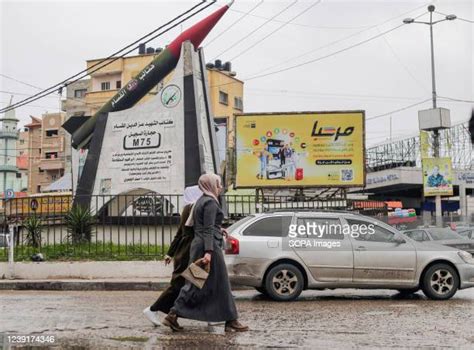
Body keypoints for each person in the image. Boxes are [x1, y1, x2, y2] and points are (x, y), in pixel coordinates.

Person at [163, 173, 248, 332]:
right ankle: (173, 315)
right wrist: (208, 252)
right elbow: (207, 229)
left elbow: (203, 225)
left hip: (200, 245)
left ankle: (231, 319)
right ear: (210, 185)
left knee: (204, 283)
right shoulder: (209, 203)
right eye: (218, 184)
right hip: (208, 248)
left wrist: (218, 229)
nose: (220, 187)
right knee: (202, 282)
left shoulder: (201, 200)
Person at [143, 186, 202, 327]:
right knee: (179, 285)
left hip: (187, 251)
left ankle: (173, 315)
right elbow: (182, 234)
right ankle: (153, 309)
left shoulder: (188, 209)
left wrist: (170, 253)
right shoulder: (192, 209)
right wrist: (170, 253)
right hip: (187, 252)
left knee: (193, 284)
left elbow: (178, 234)